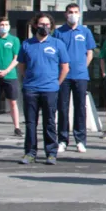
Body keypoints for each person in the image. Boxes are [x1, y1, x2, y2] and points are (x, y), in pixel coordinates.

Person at [17, 13, 69, 165]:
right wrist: (28, 79)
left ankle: (51, 153)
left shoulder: (58, 44)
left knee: (50, 122)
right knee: (30, 123)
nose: (44, 27)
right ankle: (30, 153)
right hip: (31, 89)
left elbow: (65, 68)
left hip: (50, 89)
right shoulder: (27, 44)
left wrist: (56, 83)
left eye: (47, 25)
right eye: (41, 24)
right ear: (35, 26)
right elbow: (21, 66)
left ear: (51, 27)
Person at [54, 3, 97, 152]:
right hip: (63, 76)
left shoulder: (85, 32)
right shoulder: (58, 32)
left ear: (79, 14)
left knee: (80, 108)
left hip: (80, 76)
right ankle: (62, 140)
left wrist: (82, 67)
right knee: (63, 108)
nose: (73, 14)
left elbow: (90, 53)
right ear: (66, 14)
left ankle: (80, 140)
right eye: (70, 12)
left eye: (76, 12)